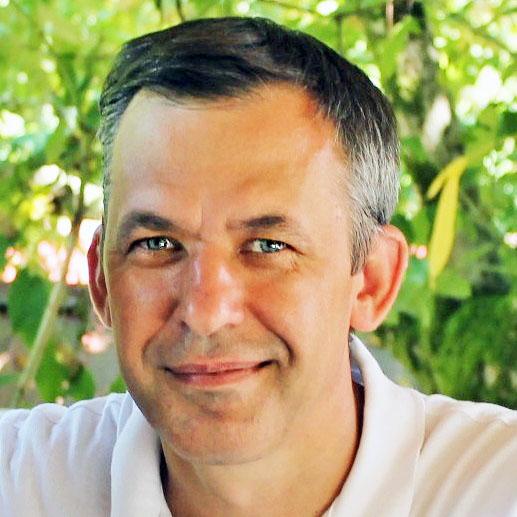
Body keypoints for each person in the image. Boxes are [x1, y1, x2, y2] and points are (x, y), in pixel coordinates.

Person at [1, 16, 515, 517]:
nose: (205, 313)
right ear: (102, 282)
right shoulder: (20, 485)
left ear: (372, 282)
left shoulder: (498, 490)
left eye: (268, 246)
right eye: (157, 244)